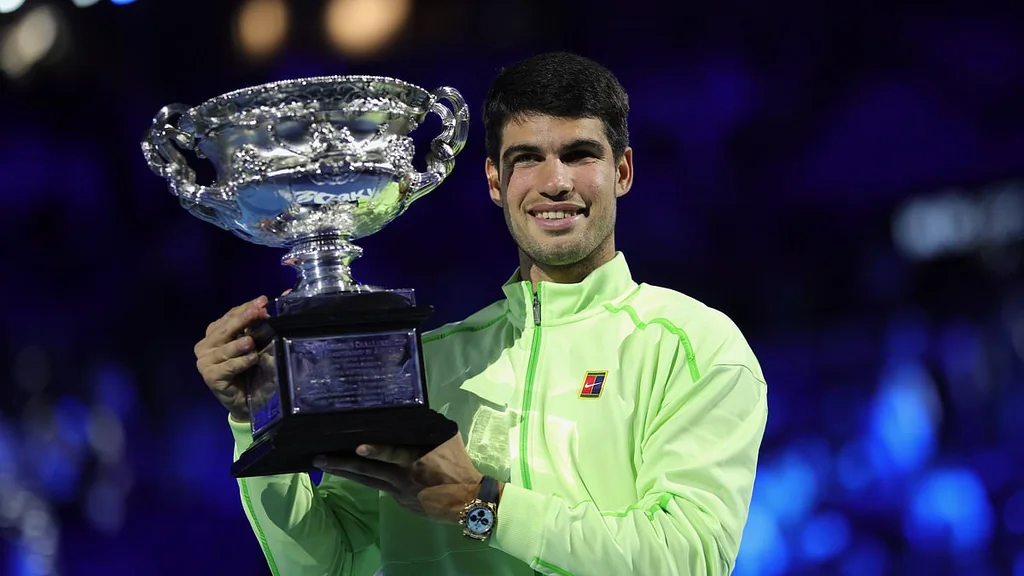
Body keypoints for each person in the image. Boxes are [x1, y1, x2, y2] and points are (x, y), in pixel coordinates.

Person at [194, 51, 768, 576]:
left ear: (622, 171)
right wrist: (256, 417)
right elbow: (329, 563)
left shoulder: (691, 344)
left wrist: (481, 505)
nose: (556, 182)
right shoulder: (425, 362)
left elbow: (686, 558)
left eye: (579, 154)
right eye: (528, 159)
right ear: (496, 181)